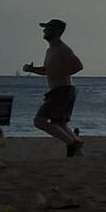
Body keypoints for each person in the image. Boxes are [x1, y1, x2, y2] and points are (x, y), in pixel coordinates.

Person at [24, 19, 85, 156]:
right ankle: (79, 155)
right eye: (45, 28)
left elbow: (78, 66)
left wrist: (61, 72)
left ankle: (72, 144)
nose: (44, 31)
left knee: (39, 121)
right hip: (58, 90)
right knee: (60, 124)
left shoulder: (63, 49)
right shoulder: (50, 50)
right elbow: (47, 70)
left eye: (48, 28)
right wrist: (31, 69)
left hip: (63, 91)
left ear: (57, 31)